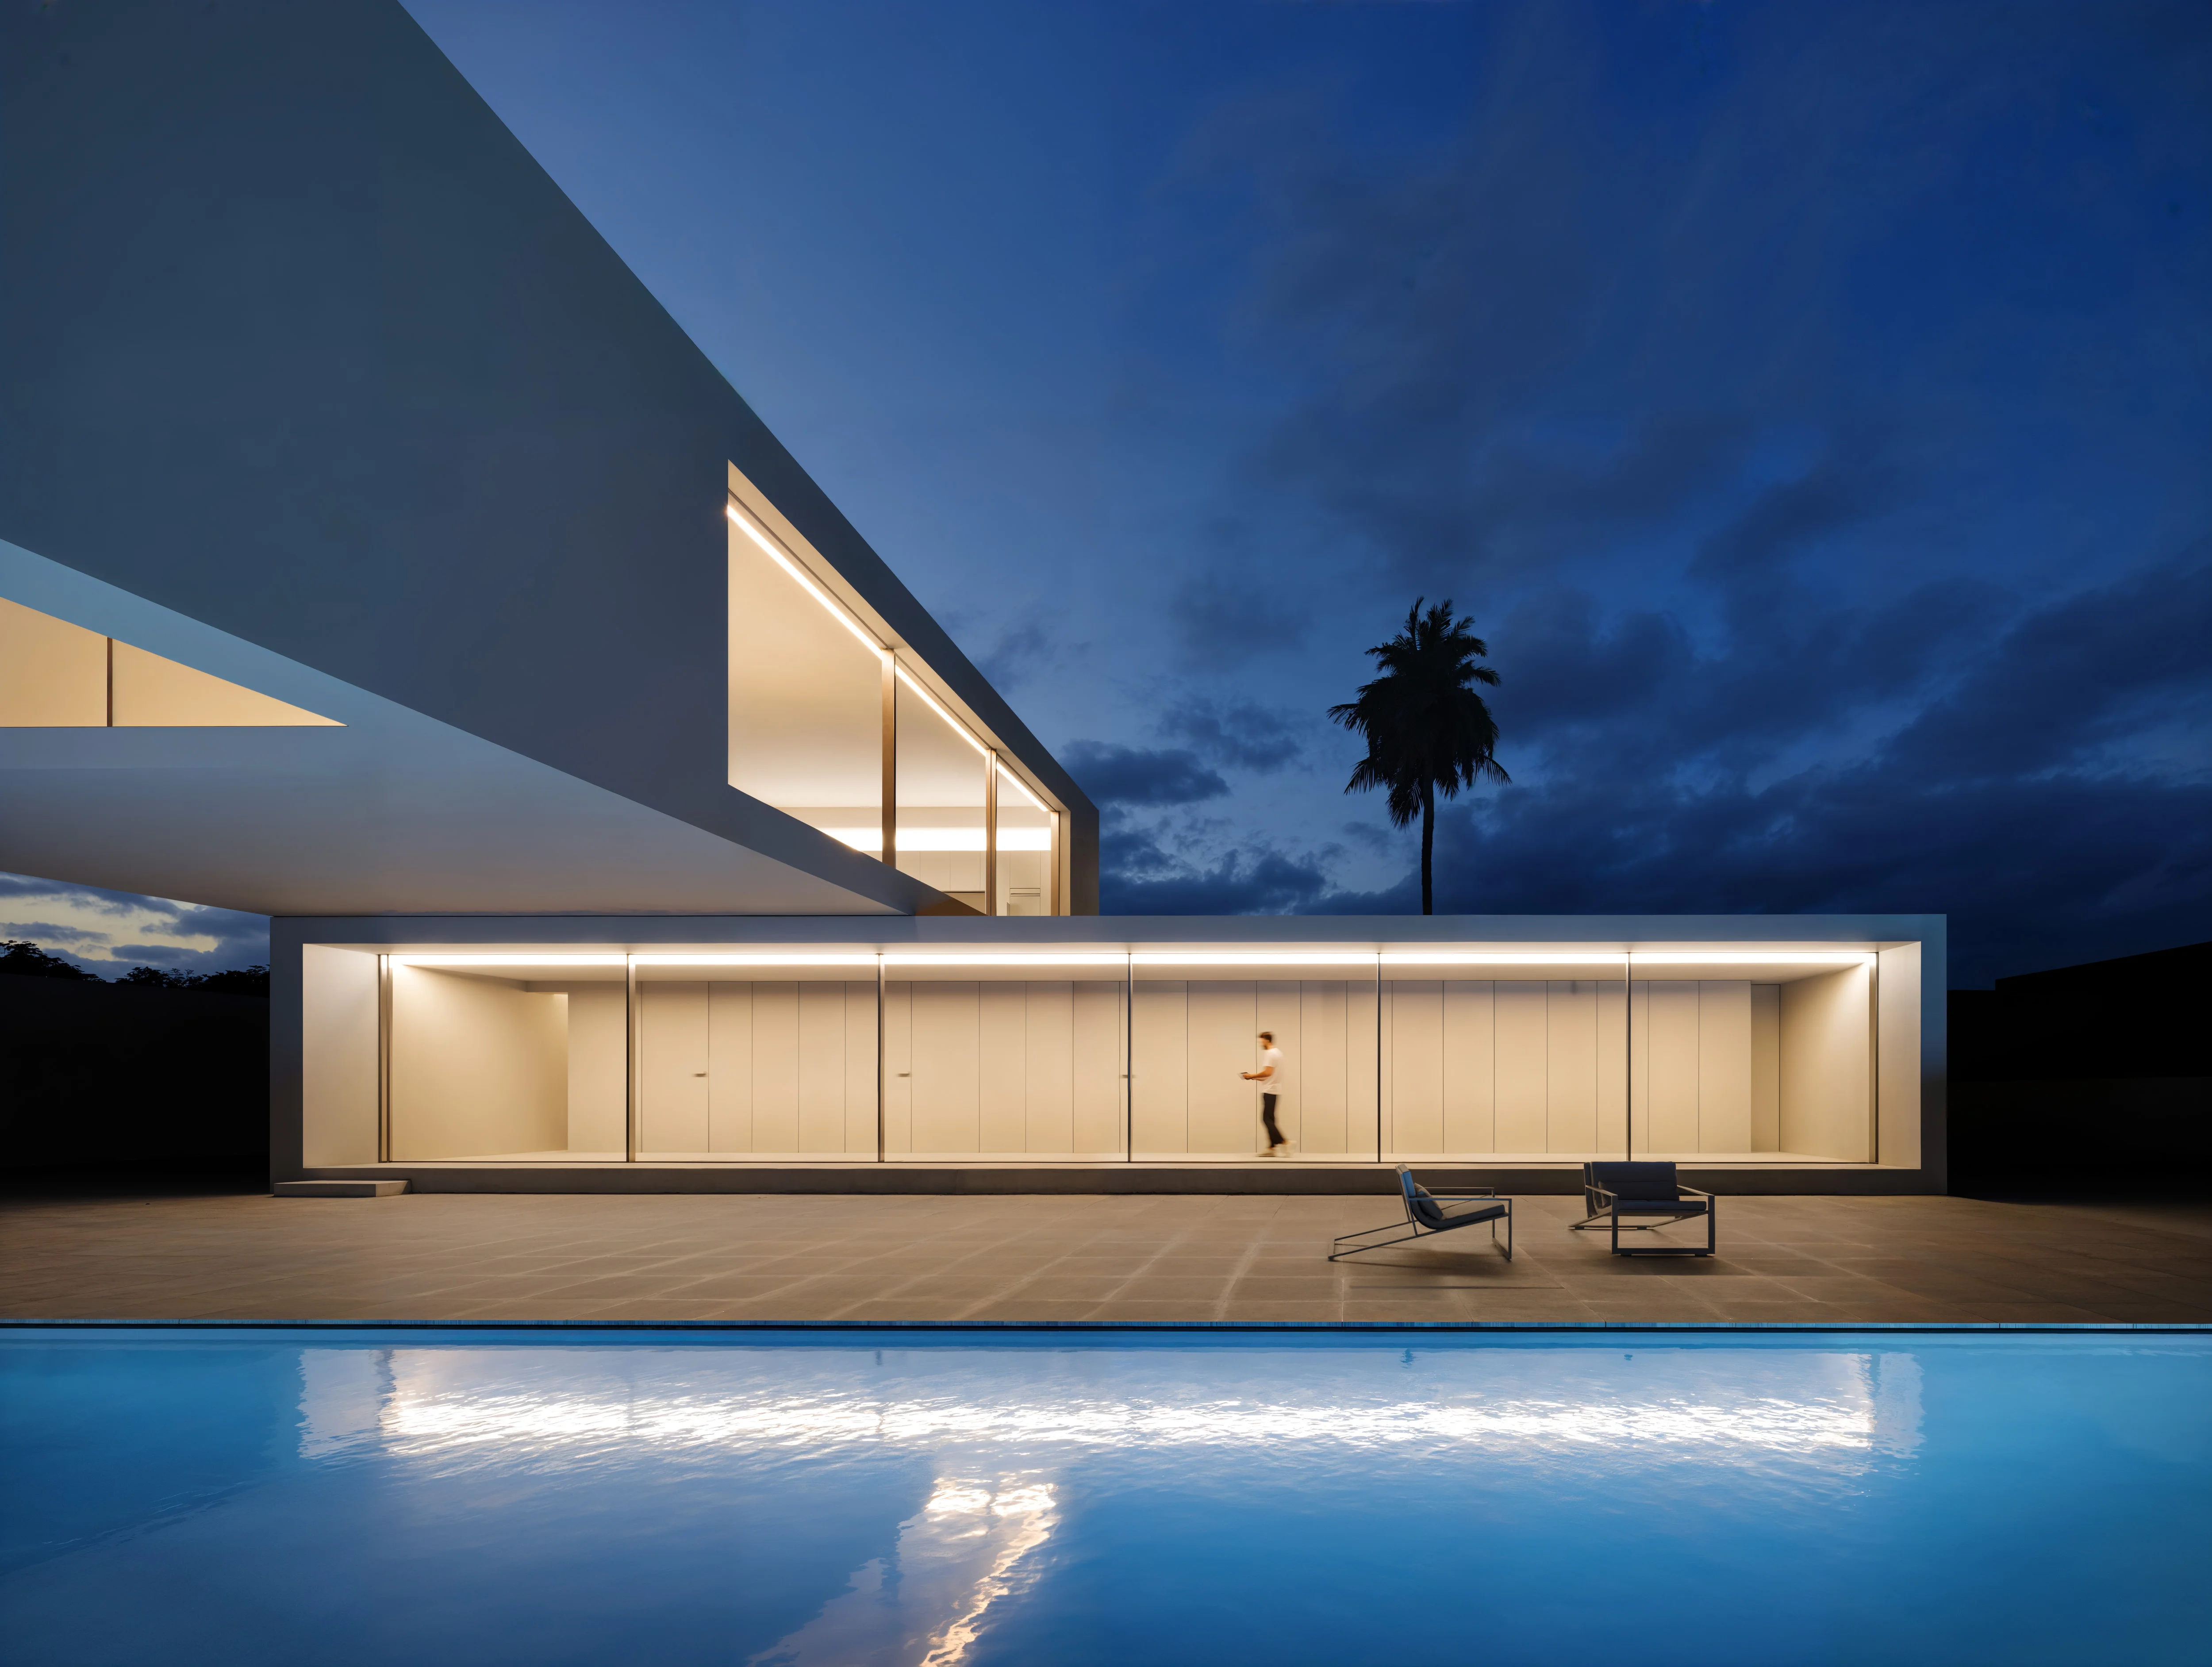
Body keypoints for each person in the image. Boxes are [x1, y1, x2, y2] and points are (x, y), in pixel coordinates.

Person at [1241, 1031, 1288, 1157]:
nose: (1260, 1044)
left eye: (1261, 1041)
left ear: (1267, 1040)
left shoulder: (1270, 1054)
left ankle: (1284, 1142)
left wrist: (1252, 1075)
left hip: (1269, 1091)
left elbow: (1267, 1073)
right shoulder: (1278, 1053)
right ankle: (1272, 1148)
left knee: (1266, 1119)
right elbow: (1269, 1076)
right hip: (1275, 1090)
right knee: (1270, 1119)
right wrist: (1252, 1077)